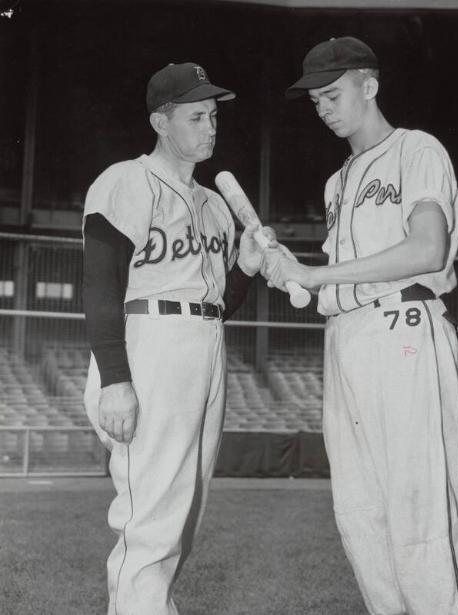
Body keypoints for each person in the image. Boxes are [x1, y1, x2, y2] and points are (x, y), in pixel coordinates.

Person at [265, 36, 458, 615]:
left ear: (369, 85)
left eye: (333, 93)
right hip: (347, 338)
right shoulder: (337, 182)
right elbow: (328, 284)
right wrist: (284, 270)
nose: (324, 107)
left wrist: (317, 272)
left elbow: (427, 249)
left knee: (418, 509)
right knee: (359, 511)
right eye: (315, 101)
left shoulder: (416, 149)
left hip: (405, 327)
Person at [82, 62, 268, 615]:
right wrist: (116, 379)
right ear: (161, 122)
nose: (210, 126)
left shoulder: (214, 206)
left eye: (213, 115)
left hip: (202, 345)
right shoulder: (125, 181)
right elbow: (100, 286)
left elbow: (217, 306)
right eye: (196, 116)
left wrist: (249, 270)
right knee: (153, 516)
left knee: (184, 514)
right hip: (149, 342)